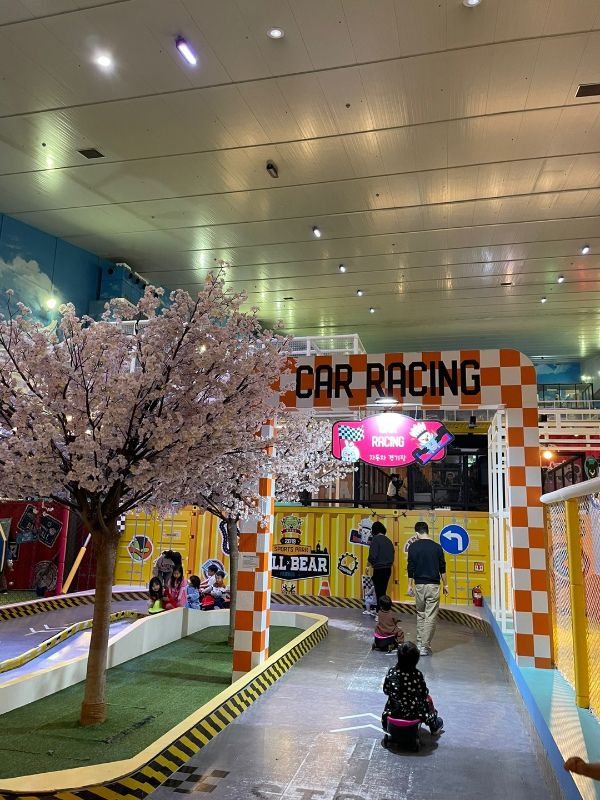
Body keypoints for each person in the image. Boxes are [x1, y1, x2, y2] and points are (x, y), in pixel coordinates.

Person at [381, 641, 444, 735]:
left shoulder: (392, 672)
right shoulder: (417, 675)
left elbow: (386, 690)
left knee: (392, 699)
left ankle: (386, 725)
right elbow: (423, 694)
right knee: (428, 700)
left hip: (394, 712)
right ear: (416, 660)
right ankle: (434, 725)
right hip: (414, 713)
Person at [407, 521, 449, 656]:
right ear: (427, 531)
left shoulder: (413, 547)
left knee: (421, 614)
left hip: (419, 585)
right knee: (430, 616)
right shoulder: (437, 547)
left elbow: (410, 568)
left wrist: (409, 585)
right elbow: (442, 568)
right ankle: (424, 646)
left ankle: (420, 643)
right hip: (433, 585)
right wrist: (446, 585)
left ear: (416, 533)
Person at [368, 520, 395, 611]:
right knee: (383, 591)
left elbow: (372, 556)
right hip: (388, 569)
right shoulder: (389, 541)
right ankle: (384, 610)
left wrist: (368, 566)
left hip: (379, 569)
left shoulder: (376, 540)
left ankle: (380, 612)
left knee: (379, 592)